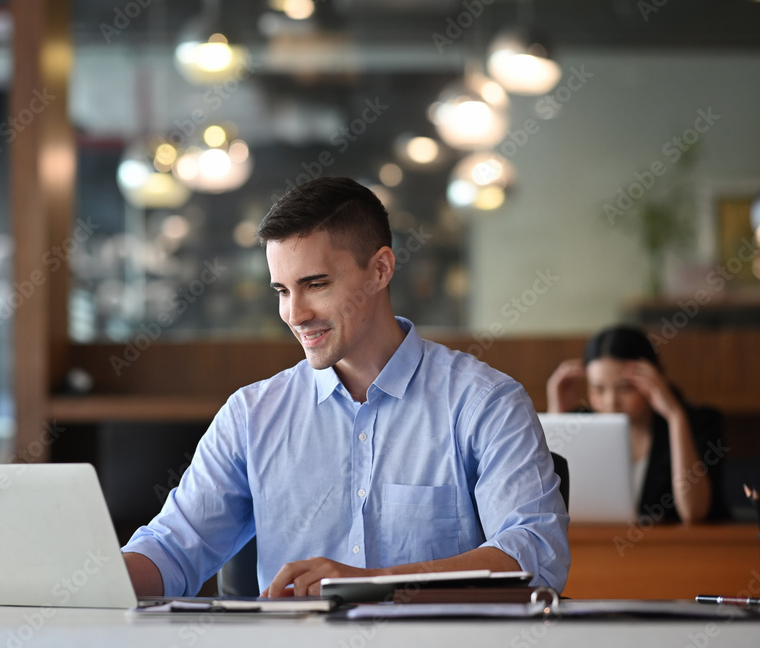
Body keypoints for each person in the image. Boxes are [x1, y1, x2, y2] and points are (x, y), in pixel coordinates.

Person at [122, 176, 569, 597]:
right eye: (281, 290)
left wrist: (371, 583)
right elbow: (172, 550)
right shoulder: (250, 415)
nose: (294, 314)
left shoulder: (485, 402)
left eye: (315, 284)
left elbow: (535, 555)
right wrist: (80, 574)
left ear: (379, 270)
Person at [546, 325, 727, 524]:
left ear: (653, 379)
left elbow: (693, 512)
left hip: (681, 550)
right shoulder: (582, 424)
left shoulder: (699, 422)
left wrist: (675, 416)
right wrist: (557, 415)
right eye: (598, 388)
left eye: (625, 388)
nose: (611, 401)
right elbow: (552, 506)